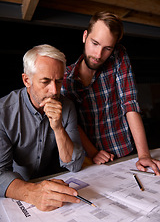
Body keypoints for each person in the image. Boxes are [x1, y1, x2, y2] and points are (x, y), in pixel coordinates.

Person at [61, 11, 160, 175]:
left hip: (124, 151)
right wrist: (93, 152)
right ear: (85, 36)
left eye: (107, 48)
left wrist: (143, 154)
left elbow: (130, 103)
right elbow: (73, 123)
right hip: (89, 160)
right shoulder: (65, 79)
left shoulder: (119, 57)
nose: (99, 55)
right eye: (95, 43)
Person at [0, 44, 85, 211]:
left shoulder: (66, 106)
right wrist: (33, 193)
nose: (54, 91)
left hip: (53, 180)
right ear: (27, 80)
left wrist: (58, 127)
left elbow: (74, 165)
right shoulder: (3, 113)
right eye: (45, 81)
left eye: (59, 81)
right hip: (18, 191)